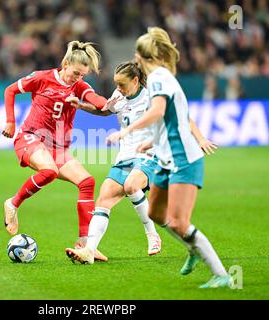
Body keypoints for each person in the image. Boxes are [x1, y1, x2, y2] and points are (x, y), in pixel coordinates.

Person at [105, 27, 231, 289]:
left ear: (140, 57)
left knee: (179, 221)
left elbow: (159, 111)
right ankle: (193, 247)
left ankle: (221, 274)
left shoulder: (159, 78)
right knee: (156, 212)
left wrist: (128, 130)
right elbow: (175, 116)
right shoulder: (160, 78)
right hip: (164, 155)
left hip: (183, 158)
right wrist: (154, 141)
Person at [65, 61, 217, 265]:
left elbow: (183, 118)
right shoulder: (119, 96)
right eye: (116, 84)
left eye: (122, 84)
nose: (118, 89)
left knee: (131, 185)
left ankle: (152, 234)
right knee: (104, 199)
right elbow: (105, 111)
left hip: (150, 154)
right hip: (125, 156)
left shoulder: (151, 98)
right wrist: (81, 106)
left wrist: (200, 139)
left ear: (136, 80)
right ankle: (89, 251)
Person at [1, 40, 110, 262]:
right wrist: (10, 122)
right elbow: (10, 90)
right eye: (75, 73)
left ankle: (84, 243)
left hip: (57, 147)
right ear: (66, 63)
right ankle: (12, 203)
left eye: (82, 75)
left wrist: (113, 101)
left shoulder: (79, 87)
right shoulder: (42, 78)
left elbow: (98, 101)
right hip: (29, 137)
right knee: (48, 171)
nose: (77, 78)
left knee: (87, 182)